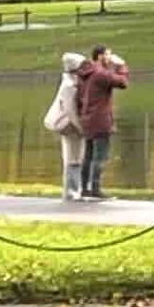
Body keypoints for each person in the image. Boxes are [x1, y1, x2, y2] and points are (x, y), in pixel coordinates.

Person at [68, 45, 130, 199]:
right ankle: (95, 188)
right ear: (100, 56)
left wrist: (82, 116)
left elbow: (78, 99)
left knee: (88, 156)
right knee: (100, 156)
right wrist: (121, 65)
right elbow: (122, 82)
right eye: (108, 55)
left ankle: (84, 189)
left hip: (87, 120)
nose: (110, 58)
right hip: (101, 120)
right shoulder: (100, 73)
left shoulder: (84, 75)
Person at [43, 51, 91, 200]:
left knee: (75, 157)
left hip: (72, 126)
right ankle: (71, 191)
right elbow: (70, 111)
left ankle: (75, 189)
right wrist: (80, 128)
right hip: (70, 126)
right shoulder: (69, 86)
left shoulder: (72, 83)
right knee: (73, 158)